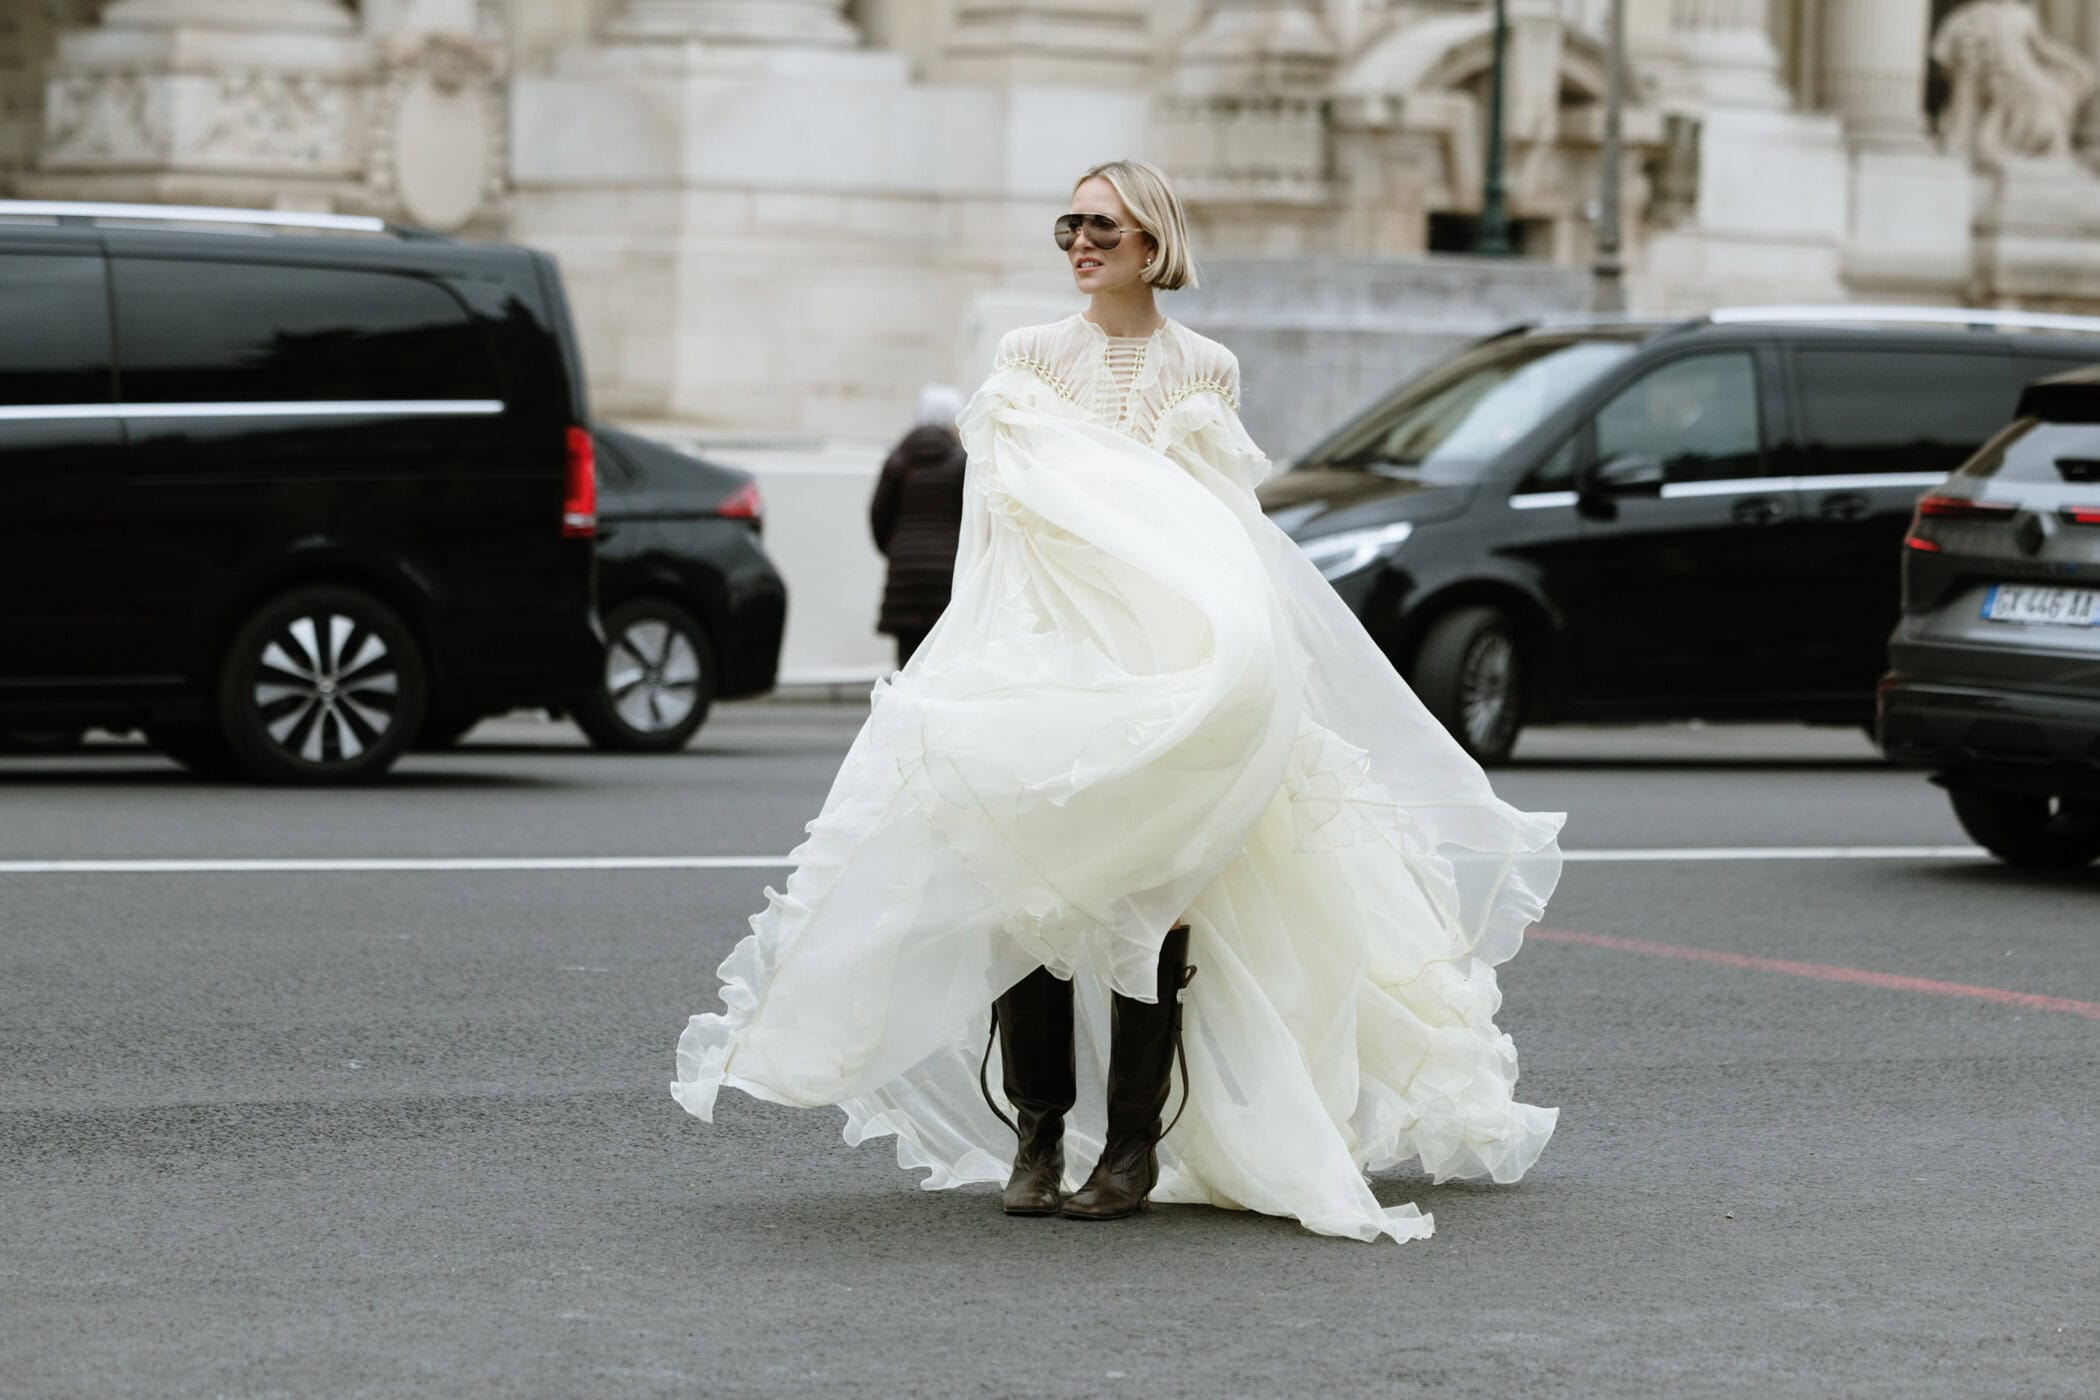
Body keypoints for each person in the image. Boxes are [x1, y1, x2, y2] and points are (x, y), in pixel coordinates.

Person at [672, 159, 1564, 1244]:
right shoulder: (1027, 358)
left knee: (1159, 890)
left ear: (1154, 242)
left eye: (1101, 224)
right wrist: (970, 652)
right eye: (1069, 225)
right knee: (1028, 883)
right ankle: (1040, 1131)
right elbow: (993, 526)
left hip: (1166, 662)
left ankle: (1134, 1140)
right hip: (1045, 650)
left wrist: (1241, 660)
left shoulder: (1207, 367)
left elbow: (1226, 529)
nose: (1079, 243)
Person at [870, 385, 968, 668]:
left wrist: (898, 552)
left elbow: (879, 516)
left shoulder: (898, 460)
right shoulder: (962, 463)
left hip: (905, 573)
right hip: (949, 573)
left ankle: (904, 711)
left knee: (908, 662)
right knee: (943, 658)